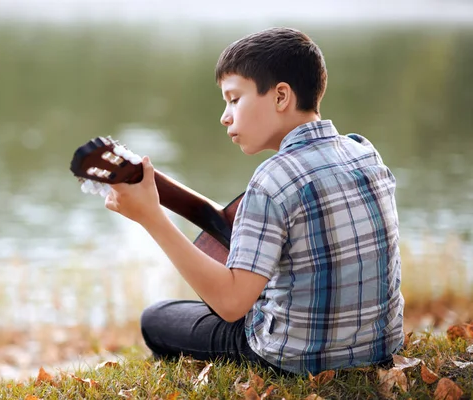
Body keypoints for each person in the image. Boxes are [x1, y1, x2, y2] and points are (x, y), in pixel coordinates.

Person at [104, 27, 404, 376]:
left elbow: (232, 305)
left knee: (156, 319)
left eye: (234, 99)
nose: (225, 116)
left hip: (295, 358)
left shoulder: (272, 178)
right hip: (382, 345)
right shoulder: (364, 152)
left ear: (280, 97)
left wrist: (151, 217)